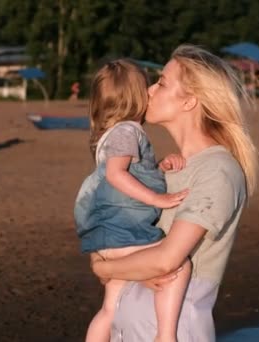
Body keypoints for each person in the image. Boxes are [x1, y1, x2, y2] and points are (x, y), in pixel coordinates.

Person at [90, 45, 258, 341]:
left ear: (190, 101)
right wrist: (103, 262)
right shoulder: (162, 169)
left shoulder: (217, 171)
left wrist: (106, 268)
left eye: (162, 83)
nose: (150, 90)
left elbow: (167, 260)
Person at [74, 60, 192, 342]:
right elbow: (117, 175)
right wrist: (157, 198)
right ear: (136, 97)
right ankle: (165, 336)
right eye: (147, 86)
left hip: (107, 235)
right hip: (124, 232)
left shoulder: (110, 135)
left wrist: (160, 167)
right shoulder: (127, 132)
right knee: (179, 265)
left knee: (109, 308)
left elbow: (131, 174)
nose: (152, 91)